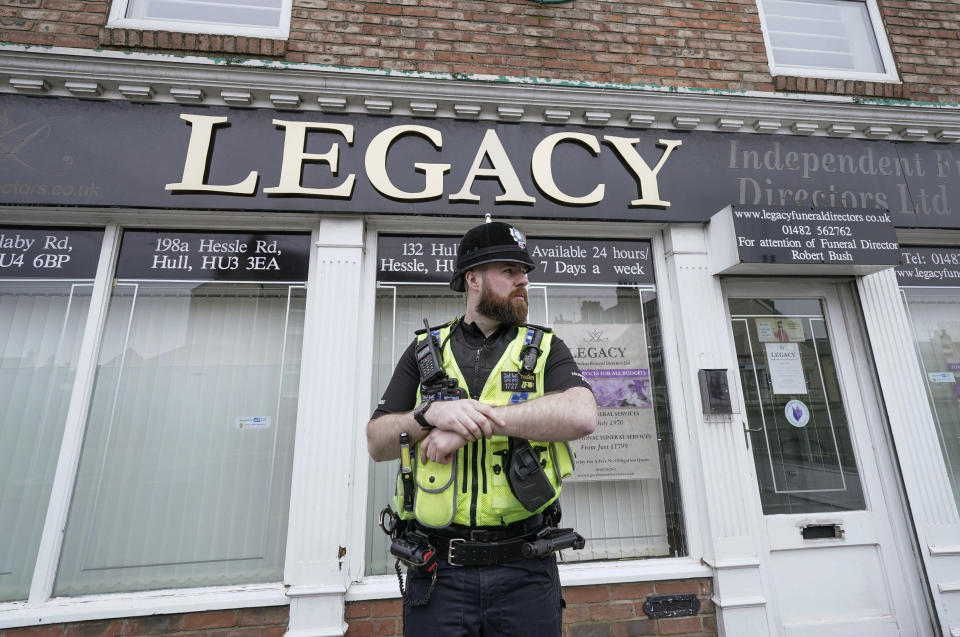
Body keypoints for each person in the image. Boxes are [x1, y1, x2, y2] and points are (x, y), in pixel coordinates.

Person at [366, 220, 598, 637]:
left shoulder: (545, 347)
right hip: (438, 572)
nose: (523, 280)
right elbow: (378, 442)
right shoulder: (424, 349)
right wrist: (427, 416)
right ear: (472, 279)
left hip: (526, 568)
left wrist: (472, 424)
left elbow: (582, 414)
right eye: (509, 270)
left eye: (523, 272)